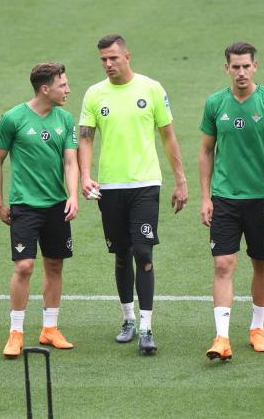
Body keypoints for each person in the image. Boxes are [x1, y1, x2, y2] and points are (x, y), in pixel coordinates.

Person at [78, 34, 188, 355]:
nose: (108, 64)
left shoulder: (151, 88)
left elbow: (168, 136)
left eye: (113, 58)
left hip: (145, 185)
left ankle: (146, 327)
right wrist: (86, 175)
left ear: (127, 56)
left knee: (143, 252)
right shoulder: (94, 94)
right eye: (103, 59)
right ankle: (127, 318)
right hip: (110, 188)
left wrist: (180, 180)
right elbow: (85, 138)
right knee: (121, 254)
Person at [198, 42, 264, 361]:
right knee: (223, 263)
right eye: (235, 66)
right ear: (226, 68)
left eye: (246, 66)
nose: (241, 72)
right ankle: (222, 337)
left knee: (261, 263)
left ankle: (257, 329)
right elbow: (206, 151)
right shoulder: (215, 103)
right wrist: (205, 196)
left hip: (262, 199)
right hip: (225, 198)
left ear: (255, 66)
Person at [0, 62, 79, 359]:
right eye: (62, 85)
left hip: (56, 205)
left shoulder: (65, 119)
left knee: (54, 265)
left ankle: (49, 329)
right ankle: (15, 332)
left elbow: (70, 161)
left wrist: (73, 196)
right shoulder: (12, 119)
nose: (67, 89)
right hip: (25, 206)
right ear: (45, 88)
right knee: (24, 266)